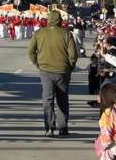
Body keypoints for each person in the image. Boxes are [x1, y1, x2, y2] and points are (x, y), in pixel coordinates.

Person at [27, 9, 78, 137]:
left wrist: (37, 63)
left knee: (48, 99)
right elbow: (73, 54)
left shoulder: (39, 33)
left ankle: (49, 128)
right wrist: (70, 66)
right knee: (62, 99)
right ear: (60, 21)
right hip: (63, 71)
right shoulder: (67, 34)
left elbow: (30, 52)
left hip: (45, 70)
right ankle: (63, 128)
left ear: (48, 20)